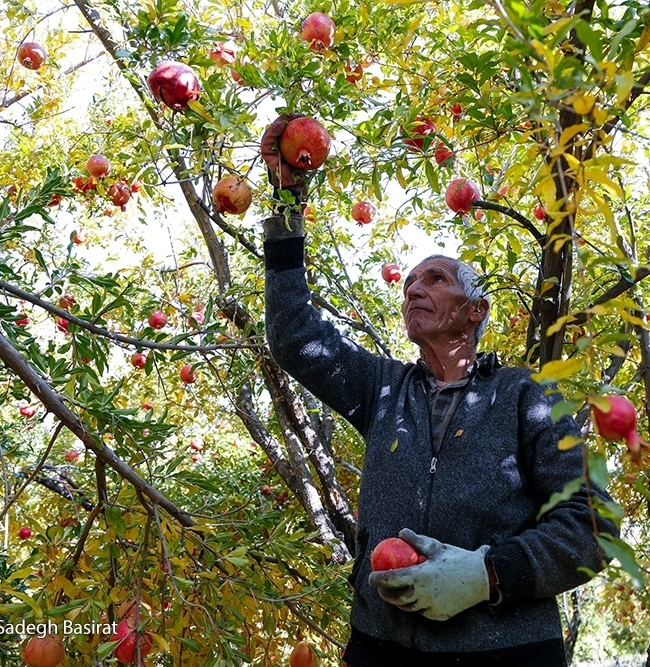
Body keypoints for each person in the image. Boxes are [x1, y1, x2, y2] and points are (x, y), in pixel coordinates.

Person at [259, 115, 618, 666]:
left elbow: (593, 527)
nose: (414, 289)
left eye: (436, 279)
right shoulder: (383, 391)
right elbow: (294, 336)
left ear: (476, 311)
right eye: (409, 284)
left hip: (505, 653)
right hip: (379, 647)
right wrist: (288, 201)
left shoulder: (527, 396)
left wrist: (486, 575)